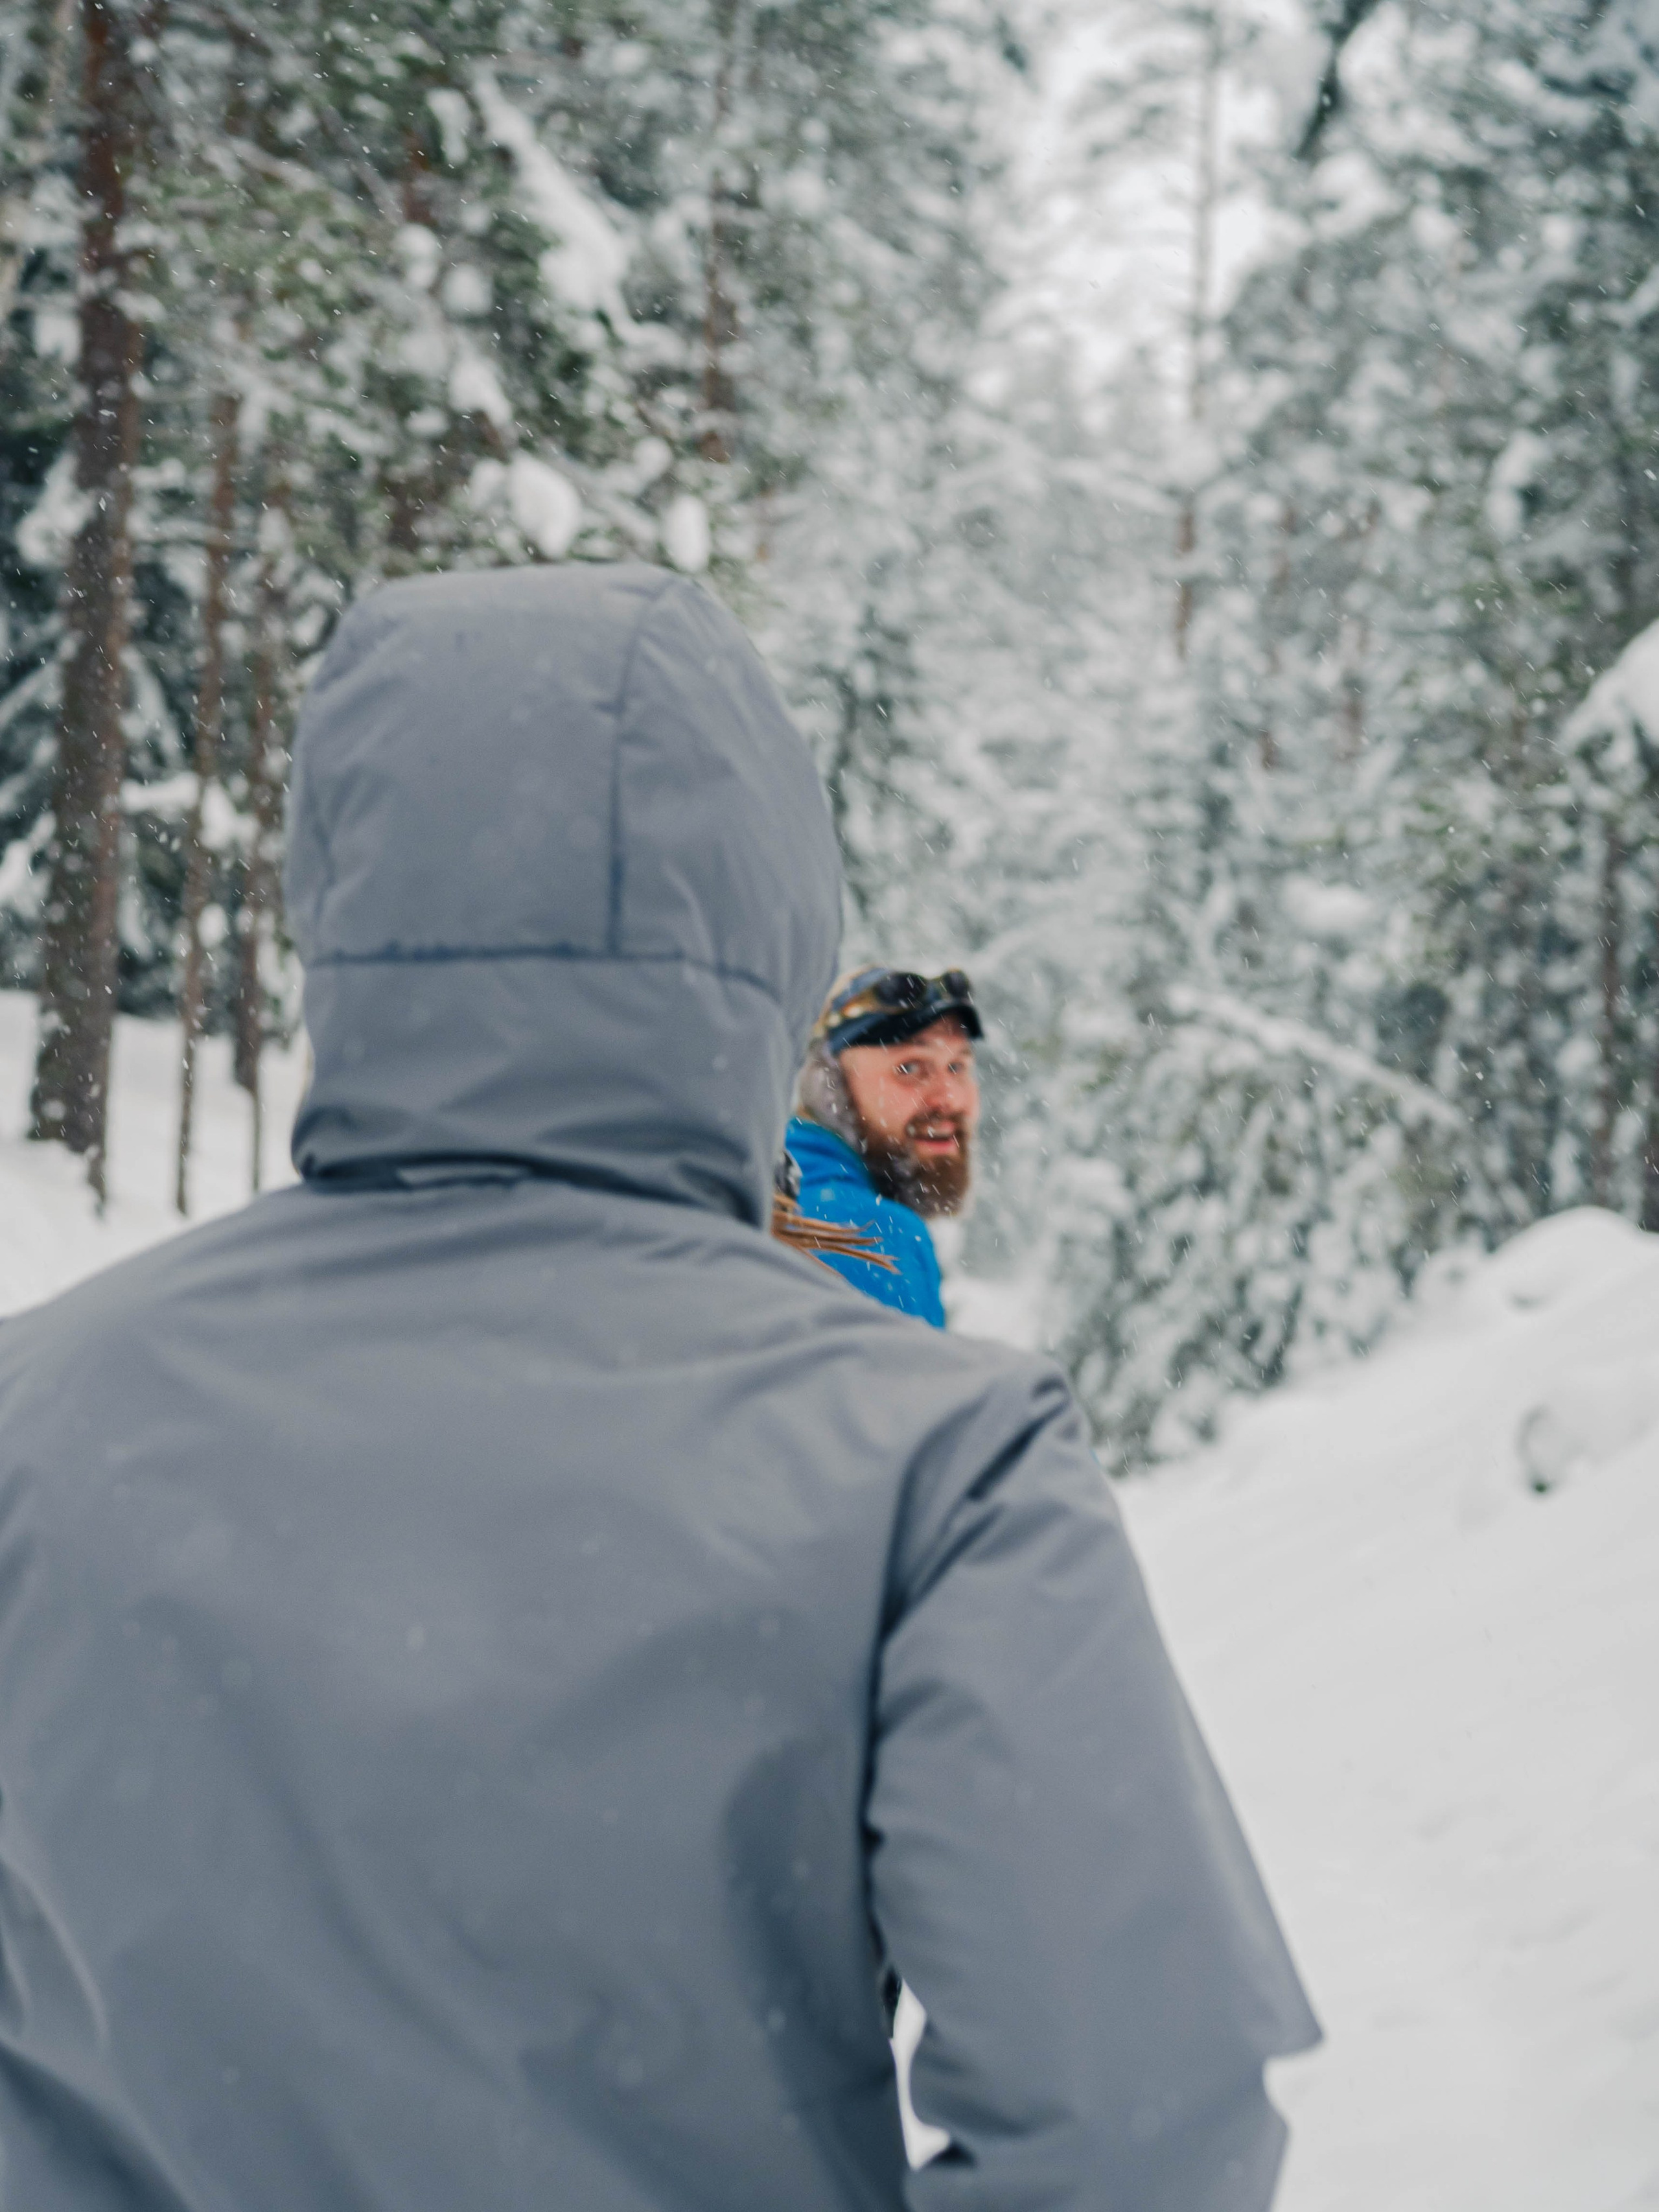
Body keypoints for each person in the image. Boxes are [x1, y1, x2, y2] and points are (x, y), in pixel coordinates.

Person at [0, 563, 1317, 2212]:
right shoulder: (936, 1463)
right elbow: (1142, 2122)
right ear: (770, 920)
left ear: (337, 893)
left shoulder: (36, 1414)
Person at [785, 966, 982, 1325]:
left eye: (957, 1066)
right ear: (832, 1087)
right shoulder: (863, 1232)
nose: (949, 1099)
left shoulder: (773, 1191)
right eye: (909, 1069)